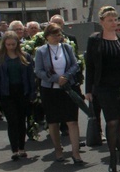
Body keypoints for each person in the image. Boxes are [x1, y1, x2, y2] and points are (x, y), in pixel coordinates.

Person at [85, 6, 120, 172]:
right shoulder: (95, 40)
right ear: (101, 22)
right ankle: (112, 157)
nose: (114, 23)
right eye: (110, 20)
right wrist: (88, 89)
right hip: (104, 87)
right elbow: (90, 65)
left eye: (115, 20)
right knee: (112, 122)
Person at [34, 23, 84, 164]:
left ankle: (75, 152)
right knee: (53, 121)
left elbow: (75, 64)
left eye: (59, 34)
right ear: (47, 36)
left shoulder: (67, 48)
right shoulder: (41, 51)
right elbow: (38, 71)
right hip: (50, 90)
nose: (58, 37)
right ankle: (58, 149)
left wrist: (66, 77)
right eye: (55, 35)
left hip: (68, 88)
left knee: (72, 120)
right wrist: (56, 79)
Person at [0, 33, 36, 160]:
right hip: (7, 93)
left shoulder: (25, 57)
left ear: (17, 44)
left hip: (22, 91)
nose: (10, 47)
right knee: (12, 121)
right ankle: (14, 150)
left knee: (22, 120)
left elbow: (30, 77)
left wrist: (33, 93)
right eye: (8, 44)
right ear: (4, 44)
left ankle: (22, 148)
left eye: (13, 44)